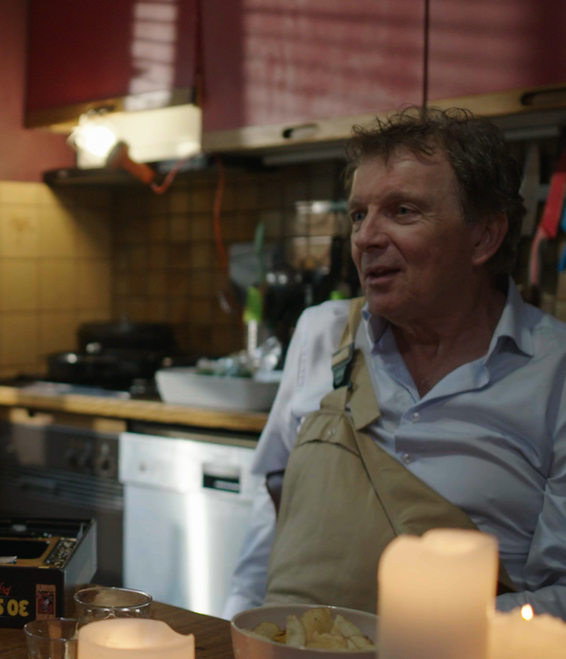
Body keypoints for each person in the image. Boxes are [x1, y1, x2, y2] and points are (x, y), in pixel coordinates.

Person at [223, 106, 566, 620]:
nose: (366, 238)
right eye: (359, 214)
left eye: (402, 211)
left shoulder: (555, 374)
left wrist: (412, 639)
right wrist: (235, 627)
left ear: (483, 237)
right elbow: (272, 507)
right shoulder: (322, 334)